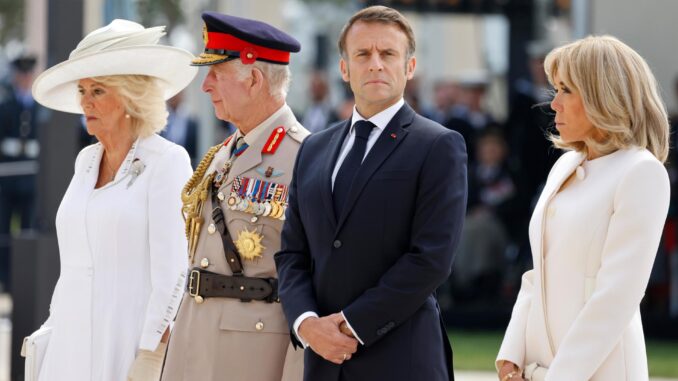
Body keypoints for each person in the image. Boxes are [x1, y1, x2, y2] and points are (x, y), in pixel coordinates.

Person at [275, 6, 467, 380]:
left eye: (388, 54)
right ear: (344, 69)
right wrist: (307, 324)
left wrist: (349, 325)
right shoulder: (313, 149)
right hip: (323, 362)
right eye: (362, 54)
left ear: (409, 67)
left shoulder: (438, 145)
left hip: (402, 360)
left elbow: (431, 259)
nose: (375, 64)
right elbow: (292, 254)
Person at [29, 19, 197, 380]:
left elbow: (174, 272)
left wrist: (150, 357)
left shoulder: (167, 161)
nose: (85, 102)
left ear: (130, 97)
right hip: (67, 343)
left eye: (99, 91)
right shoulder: (86, 160)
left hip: (125, 344)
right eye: (82, 90)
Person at [496, 35, 670, 381]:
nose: (554, 103)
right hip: (535, 368)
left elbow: (618, 295)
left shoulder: (641, 171)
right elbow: (537, 274)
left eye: (566, 90)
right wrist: (512, 353)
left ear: (603, 96)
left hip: (599, 371)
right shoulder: (564, 165)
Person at [161, 12, 309, 381]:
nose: (205, 86)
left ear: (255, 79)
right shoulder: (224, 153)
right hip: (196, 339)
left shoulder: (306, 156)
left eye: (216, 74)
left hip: (255, 352)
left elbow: (316, 278)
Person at [0, 53, 46, 292]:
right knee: (4, 233)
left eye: (29, 75)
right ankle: (5, 281)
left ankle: (24, 281)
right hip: (7, 182)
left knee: (28, 230)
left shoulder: (40, 109)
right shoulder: (5, 106)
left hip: (30, 181)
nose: (26, 79)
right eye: (22, 75)